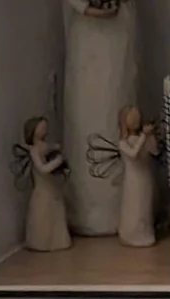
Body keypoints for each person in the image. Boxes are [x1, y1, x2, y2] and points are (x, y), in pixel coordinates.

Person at [63, 0, 138, 235]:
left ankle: (127, 209)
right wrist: (86, 8)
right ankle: (88, 211)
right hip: (87, 35)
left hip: (118, 30)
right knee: (89, 111)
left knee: (117, 98)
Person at [23, 116, 72, 252]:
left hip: (52, 186)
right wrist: (58, 161)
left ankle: (58, 241)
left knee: (56, 212)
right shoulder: (34, 150)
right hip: (42, 187)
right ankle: (41, 242)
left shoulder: (47, 146)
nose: (44, 129)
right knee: (42, 214)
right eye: (41, 127)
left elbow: (55, 149)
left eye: (45, 127)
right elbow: (43, 169)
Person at [117, 105, 159, 247]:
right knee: (134, 207)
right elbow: (133, 154)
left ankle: (145, 233)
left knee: (145, 207)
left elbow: (154, 151)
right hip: (133, 180)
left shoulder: (142, 138)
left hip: (145, 177)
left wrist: (151, 137)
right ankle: (131, 234)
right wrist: (144, 136)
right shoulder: (123, 143)